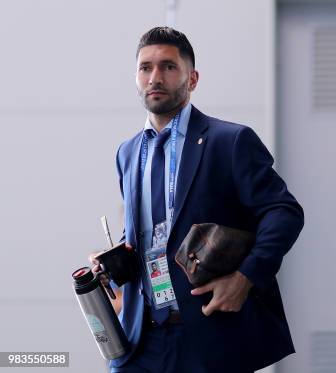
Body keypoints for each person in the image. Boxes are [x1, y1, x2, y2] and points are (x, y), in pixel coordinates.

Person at [89, 27, 303, 373]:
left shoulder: (230, 141)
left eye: (168, 67)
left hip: (208, 335)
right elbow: (147, 235)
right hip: (141, 340)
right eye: (146, 68)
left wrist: (245, 278)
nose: (155, 77)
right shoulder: (127, 153)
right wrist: (113, 263)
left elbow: (285, 213)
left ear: (192, 78)